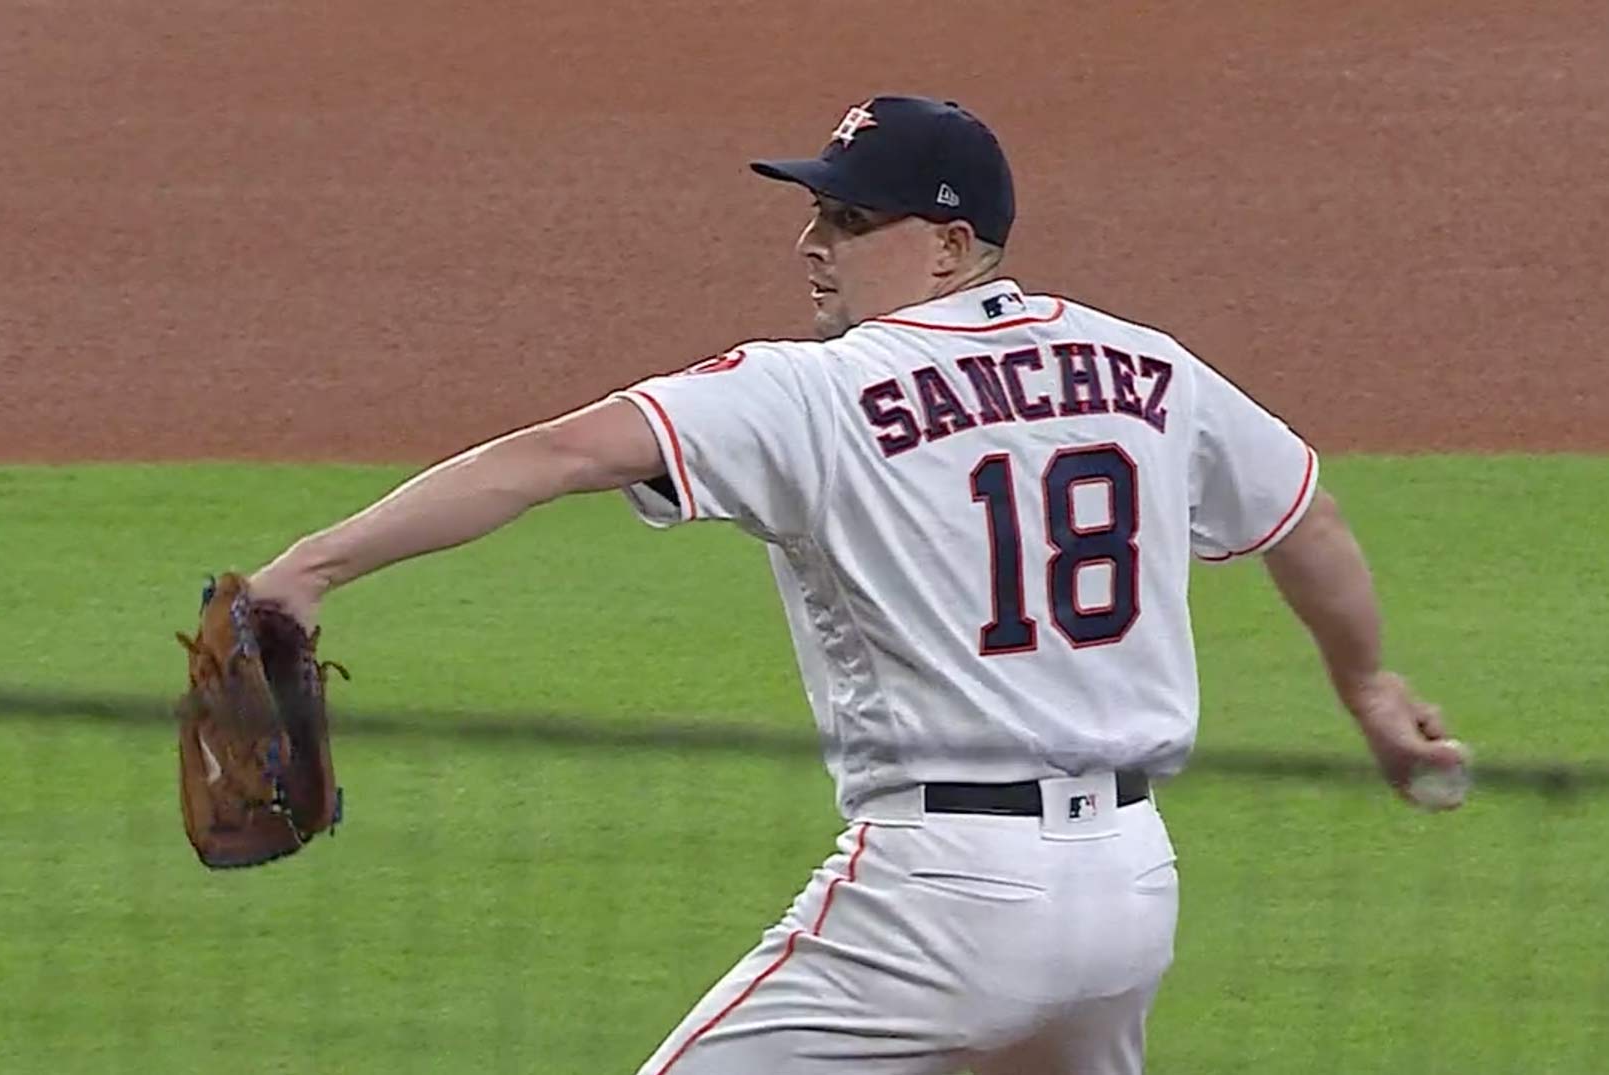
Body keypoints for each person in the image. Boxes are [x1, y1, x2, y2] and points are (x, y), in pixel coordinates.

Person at [247, 95, 1462, 1074]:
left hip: (939, 898)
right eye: (816, 213)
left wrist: (309, 569)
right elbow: (1304, 513)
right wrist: (1365, 683)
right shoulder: (1143, 364)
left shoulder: (811, 390)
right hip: (1130, 890)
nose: (810, 245)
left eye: (846, 220)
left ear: (946, 244)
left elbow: (555, 455)